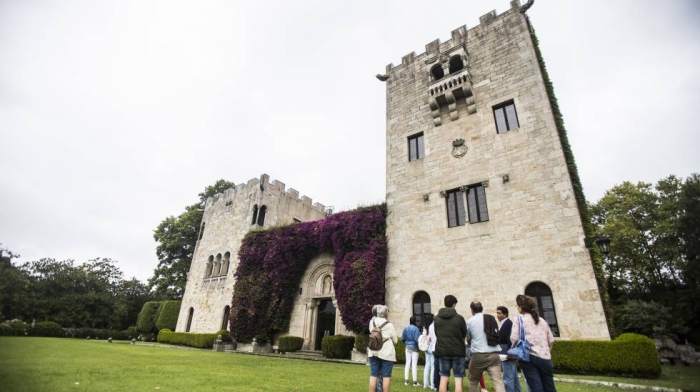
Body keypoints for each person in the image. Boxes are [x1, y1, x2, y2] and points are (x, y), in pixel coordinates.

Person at [510, 295, 556, 392]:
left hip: (529, 356)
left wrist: (514, 351)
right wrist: (546, 351)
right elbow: (551, 340)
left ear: (521, 306)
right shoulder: (542, 320)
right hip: (546, 357)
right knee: (550, 387)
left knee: (536, 387)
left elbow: (514, 338)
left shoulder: (519, 319)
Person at [465, 301, 505, 392]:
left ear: (472, 310)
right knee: (498, 381)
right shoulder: (491, 318)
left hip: (479, 355)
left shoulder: (470, 321)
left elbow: (468, 337)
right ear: (482, 308)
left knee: (473, 380)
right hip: (494, 353)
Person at [434, 295, 467, 392]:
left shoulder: (437, 319)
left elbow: (437, 334)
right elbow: (464, 333)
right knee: (458, 379)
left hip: (443, 351)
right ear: (454, 304)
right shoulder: (459, 318)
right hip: (458, 351)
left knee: (443, 378)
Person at [368, 304, 398, 392]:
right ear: (385, 313)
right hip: (386, 353)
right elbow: (395, 340)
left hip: (373, 351)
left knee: (373, 375)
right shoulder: (389, 325)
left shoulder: (372, 322)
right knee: (386, 376)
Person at [497, 306, 522, 392]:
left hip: (507, 354)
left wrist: (510, 353)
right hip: (504, 353)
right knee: (514, 377)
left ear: (505, 314)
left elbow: (511, 339)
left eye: (499, 313)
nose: (497, 315)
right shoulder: (503, 323)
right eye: (497, 313)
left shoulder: (508, 324)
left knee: (508, 379)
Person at [402, 316, 421, 387]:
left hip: (407, 347)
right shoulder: (416, 329)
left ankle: (406, 381)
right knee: (414, 364)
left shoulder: (406, 328)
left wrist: (406, 343)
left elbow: (403, 338)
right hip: (414, 348)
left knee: (407, 364)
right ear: (415, 321)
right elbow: (417, 340)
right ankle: (415, 382)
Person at [422, 313, 435, 390]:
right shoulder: (432, 327)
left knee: (427, 366)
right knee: (433, 366)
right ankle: (432, 384)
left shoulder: (425, 327)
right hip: (431, 346)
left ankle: (425, 384)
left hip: (426, 347)